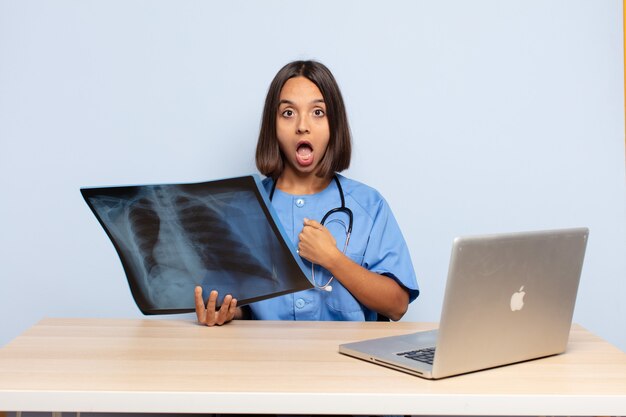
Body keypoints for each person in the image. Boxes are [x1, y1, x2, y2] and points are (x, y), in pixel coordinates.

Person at [195, 60, 419, 326]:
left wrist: (334, 260)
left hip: (348, 364)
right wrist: (229, 312)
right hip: (267, 362)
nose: (303, 126)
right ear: (273, 125)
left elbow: (397, 305)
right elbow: (236, 301)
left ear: (334, 124)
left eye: (318, 112)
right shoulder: (243, 207)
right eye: (288, 113)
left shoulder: (369, 205)